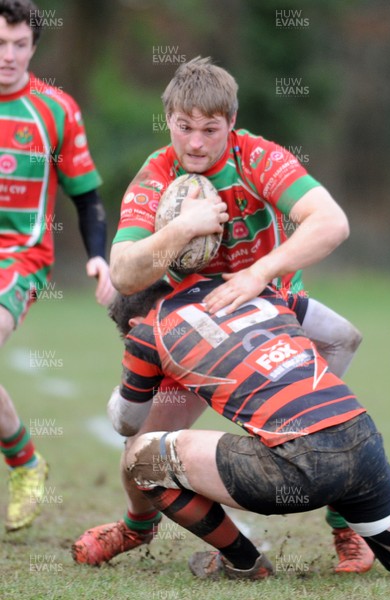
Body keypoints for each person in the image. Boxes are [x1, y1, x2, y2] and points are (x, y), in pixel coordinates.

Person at [73, 56, 372, 572]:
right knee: (140, 449)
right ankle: (136, 528)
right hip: (197, 332)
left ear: (231, 125)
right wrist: (182, 229)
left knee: (342, 351)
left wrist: (259, 276)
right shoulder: (155, 174)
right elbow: (122, 272)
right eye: (183, 128)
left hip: (269, 318)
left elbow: (331, 222)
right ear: (167, 120)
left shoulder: (258, 157)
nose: (194, 142)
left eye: (210, 129)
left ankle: (347, 526)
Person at [103, 277, 390, 581]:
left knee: (143, 458)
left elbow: (128, 423)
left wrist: (122, 390)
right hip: (360, 437)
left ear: (132, 324)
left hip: (297, 465)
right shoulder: (253, 287)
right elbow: (345, 336)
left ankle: (244, 563)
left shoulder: (148, 332)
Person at [0, 0, 114, 531]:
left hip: (20, 257)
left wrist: (97, 255)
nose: (9, 56)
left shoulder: (54, 110)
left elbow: (88, 197)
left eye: (20, 45)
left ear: (34, 47)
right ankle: (26, 461)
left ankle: (24, 465)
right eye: (0, 44)